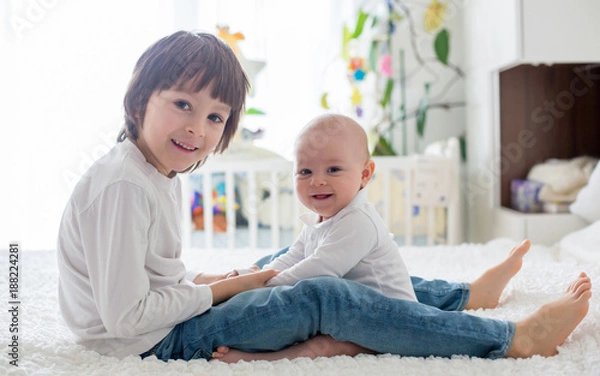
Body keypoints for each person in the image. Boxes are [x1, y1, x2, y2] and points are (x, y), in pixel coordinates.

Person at [57, 31, 592, 364]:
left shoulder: (152, 171)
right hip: (151, 343)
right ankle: (511, 339)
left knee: (293, 263)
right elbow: (128, 319)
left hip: (157, 323)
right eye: (182, 104)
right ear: (140, 95)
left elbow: (151, 275)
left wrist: (208, 281)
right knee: (326, 291)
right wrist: (221, 292)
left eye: (215, 116)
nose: (197, 128)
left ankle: (461, 294)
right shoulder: (124, 187)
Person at [258, 114, 416, 302]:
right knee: (276, 258)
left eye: (333, 170)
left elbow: (318, 269)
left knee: (314, 290)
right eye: (305, 172)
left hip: (390, 316)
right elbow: (293, 257)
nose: (317, 181)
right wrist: (259, 276)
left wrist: (263, 286)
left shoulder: (358, 221)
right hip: (355, 310)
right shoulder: (316, 220)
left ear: (365, 174)